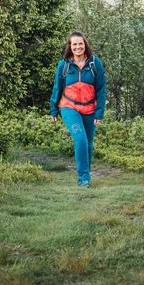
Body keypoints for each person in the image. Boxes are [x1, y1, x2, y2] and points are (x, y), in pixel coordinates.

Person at [50, 31, 106, 188]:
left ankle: (85, 175)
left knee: (88, 143)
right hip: (69, 107)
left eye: (80, 43)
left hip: (90, 108)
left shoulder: (95, 64)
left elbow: (101, 89)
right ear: (70, 46)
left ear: (85, 44)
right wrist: (53, 109)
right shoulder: (64, 65)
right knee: (80, 138)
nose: (77, 47)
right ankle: (83, 179)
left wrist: (99, 112)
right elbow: (57, 87)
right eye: (74, 44)